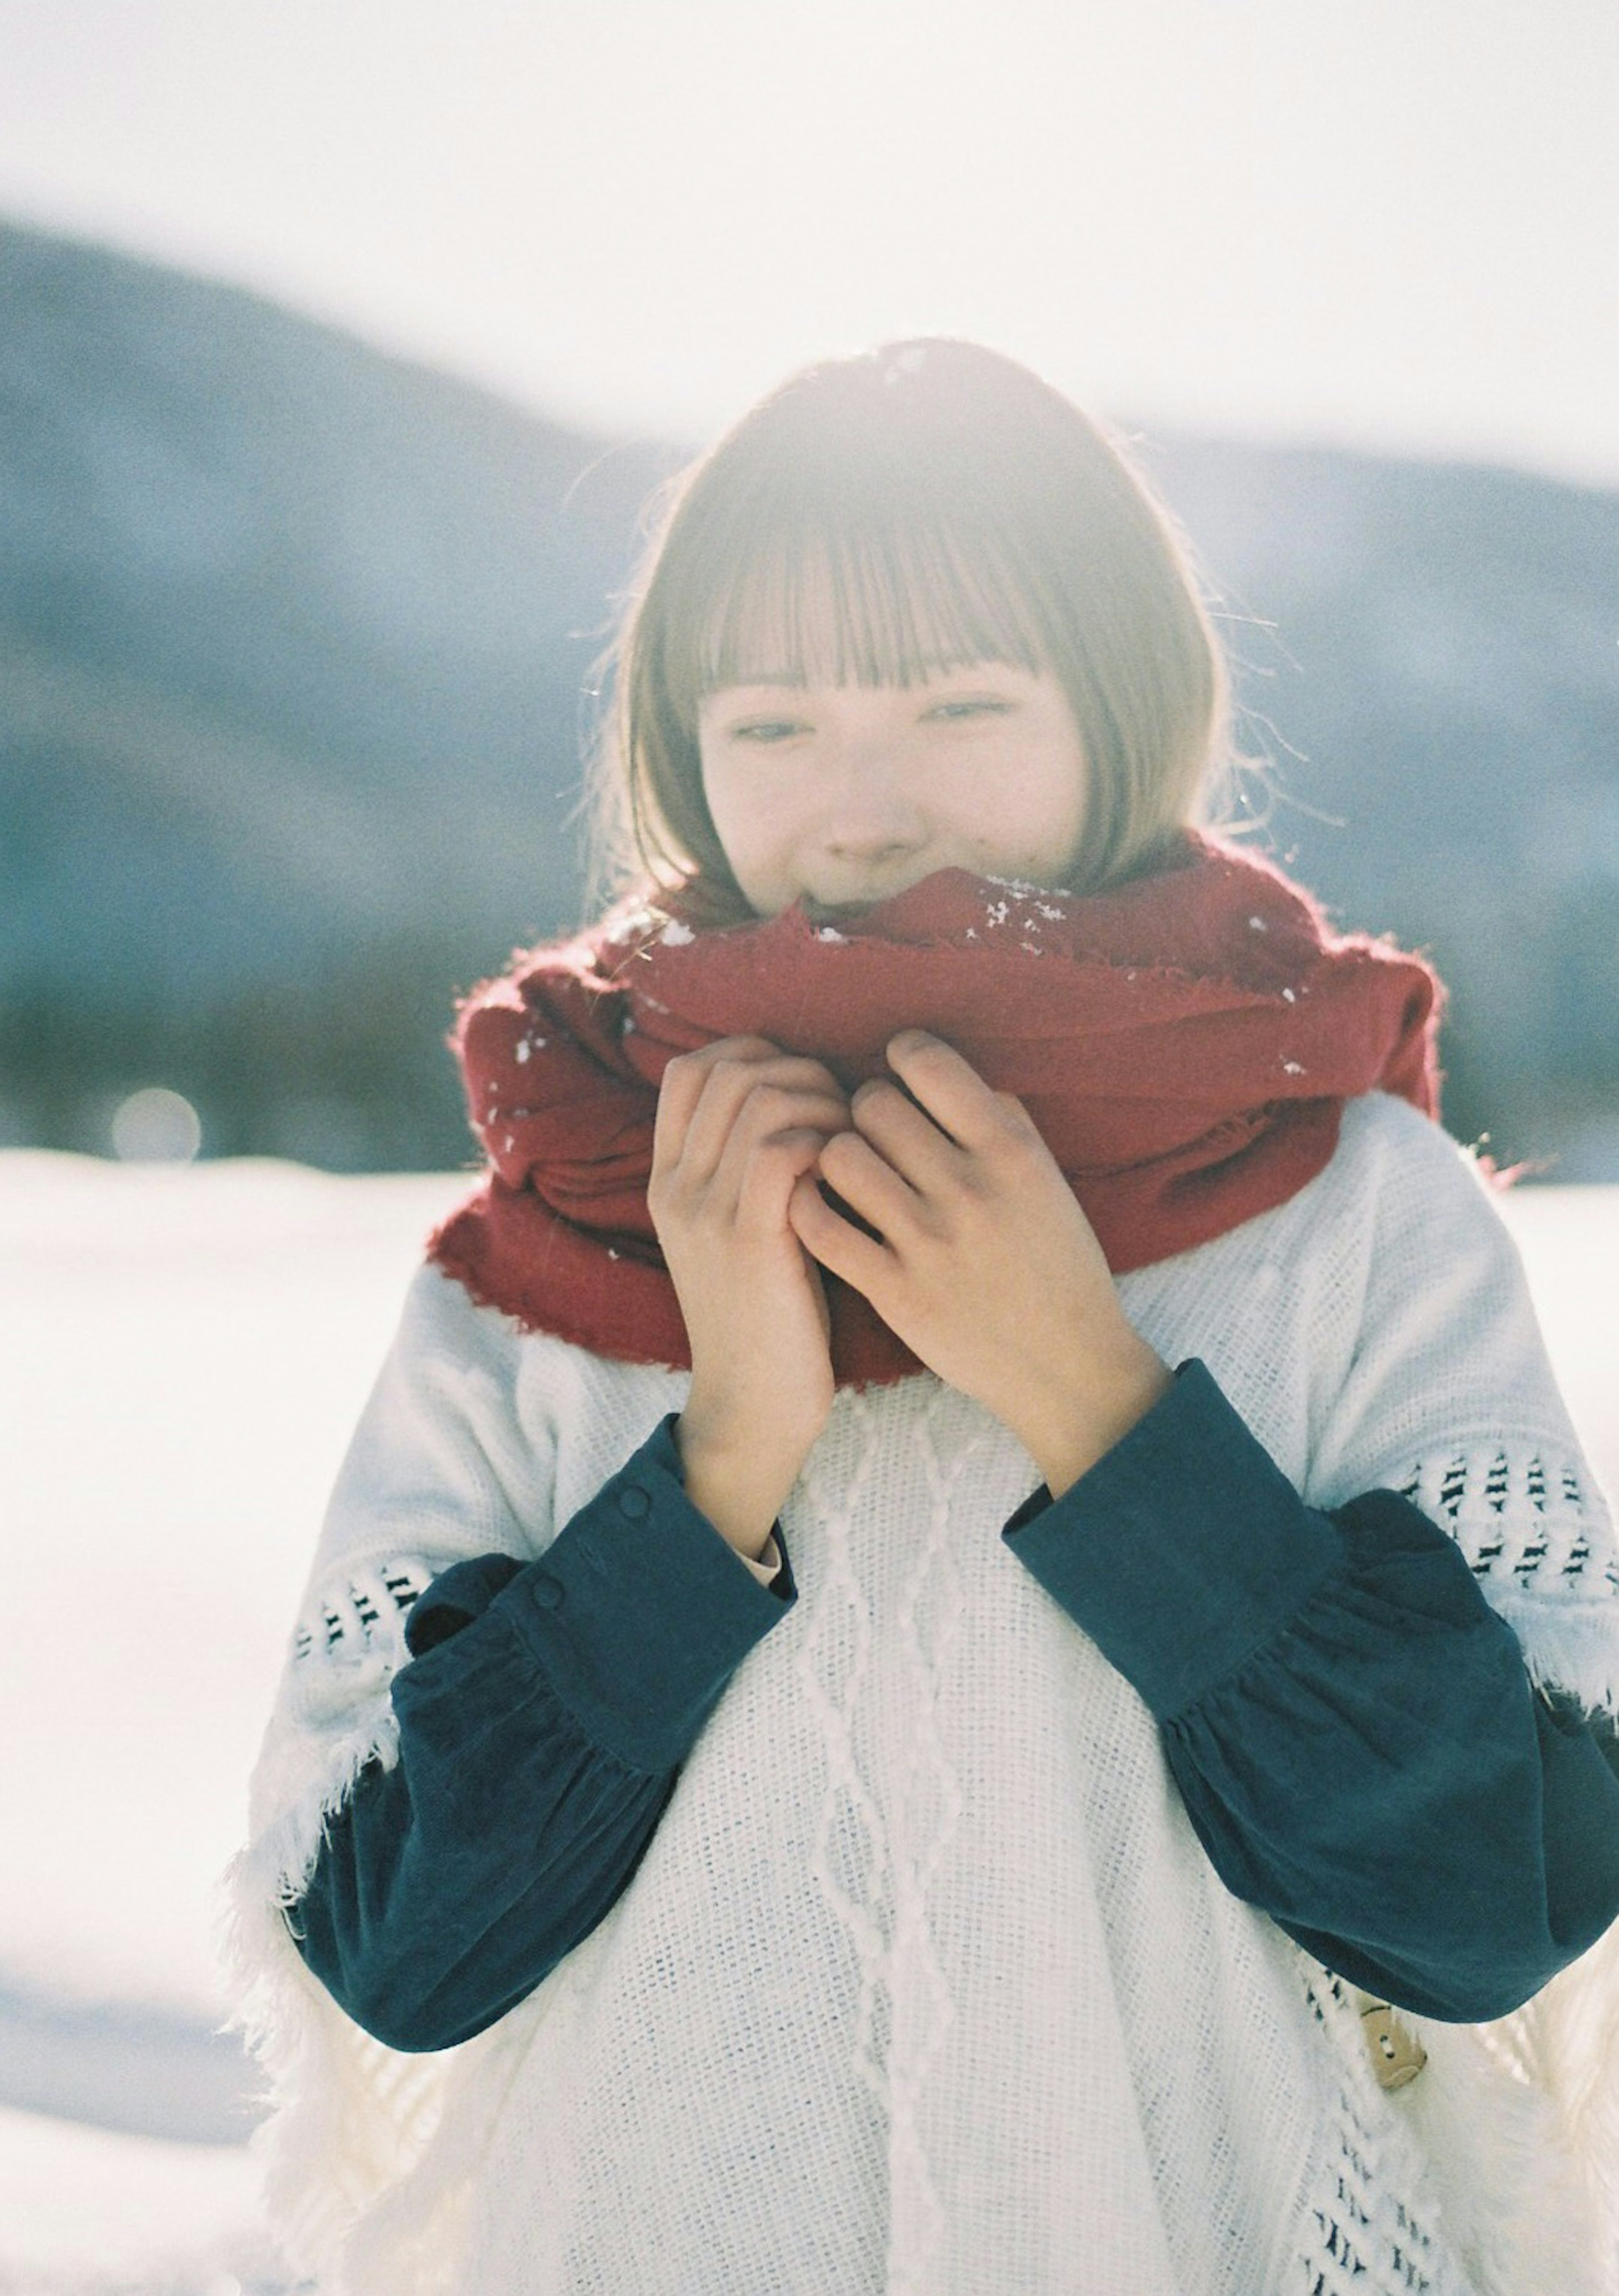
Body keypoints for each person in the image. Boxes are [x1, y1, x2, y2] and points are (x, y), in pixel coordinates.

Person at [228, 340, 1619, 2296]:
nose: (863, 811)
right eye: (774, 722)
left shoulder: (1341, 1204)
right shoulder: (551, 1240)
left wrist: (1096, 1398)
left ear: (1120, 717)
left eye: (963, 701)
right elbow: (396, 1949)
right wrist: (722, 1461)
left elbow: (1496, 1890)